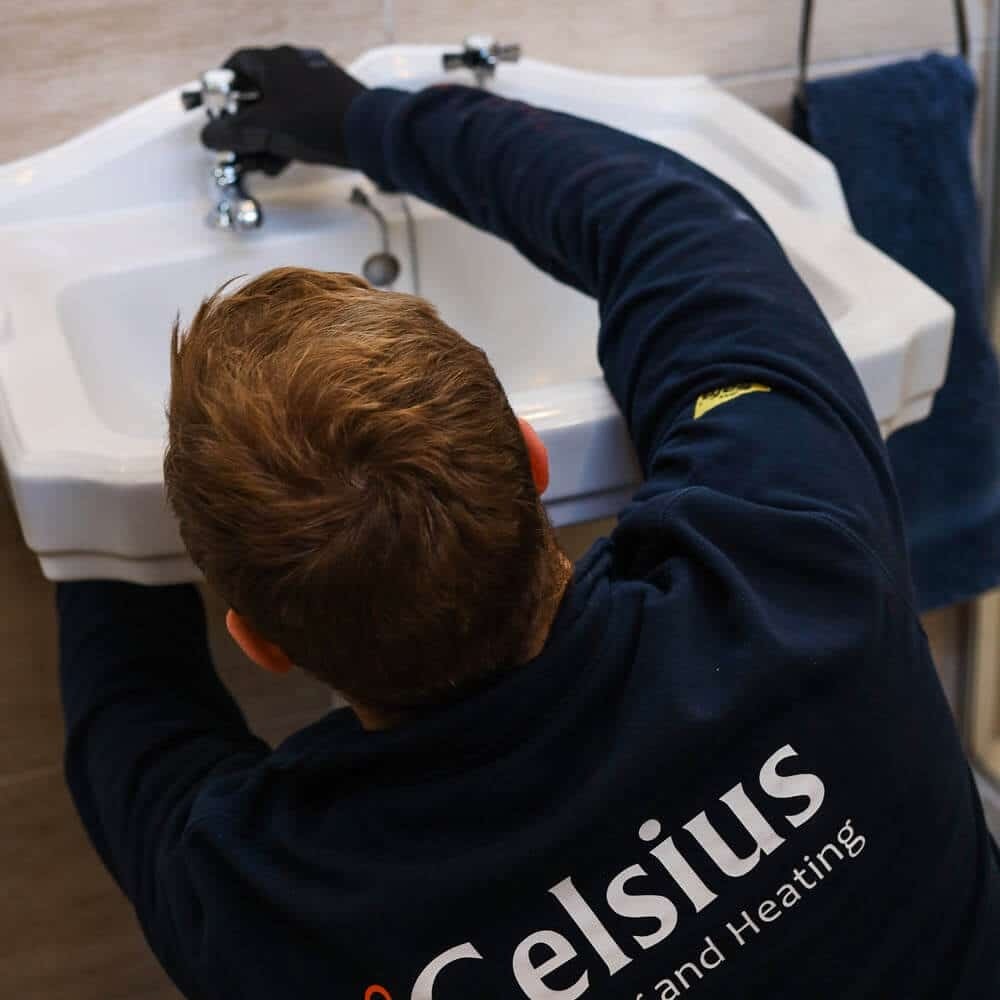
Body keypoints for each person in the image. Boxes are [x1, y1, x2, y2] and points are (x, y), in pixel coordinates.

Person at [55, 45, 1000, 1000]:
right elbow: (666, 223)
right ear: (533, 460)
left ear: (257, 642)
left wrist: (94, 453)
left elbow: (127, 704)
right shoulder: (796, 560)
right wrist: (361, 122)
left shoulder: (268, 916)